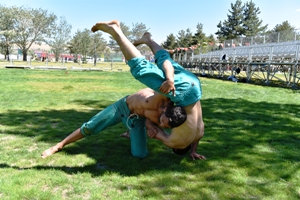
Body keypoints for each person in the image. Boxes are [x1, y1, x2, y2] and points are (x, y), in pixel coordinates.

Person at [91, 20, 206, 160]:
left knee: (164, 59)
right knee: (140, 69)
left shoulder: (199, 133)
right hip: (183, 92)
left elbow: (196, 140)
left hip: (194, 85)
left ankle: (148, 39)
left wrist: (193, 151)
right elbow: (155, 130)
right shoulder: (175, 142)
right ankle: (116, 31)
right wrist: (155, 133)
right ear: (177, 148)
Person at [41, 88, 186, 159]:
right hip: (121, 107)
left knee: (140, 154)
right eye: (163, 121)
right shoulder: (161, 96)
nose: (162, 124)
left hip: (136, 120)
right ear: (166, 108)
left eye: (165, 126)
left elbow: (154, 126)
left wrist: (153, 132)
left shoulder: (164, 118)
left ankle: (130, 132)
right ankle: (59, 145)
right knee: (90, 127)